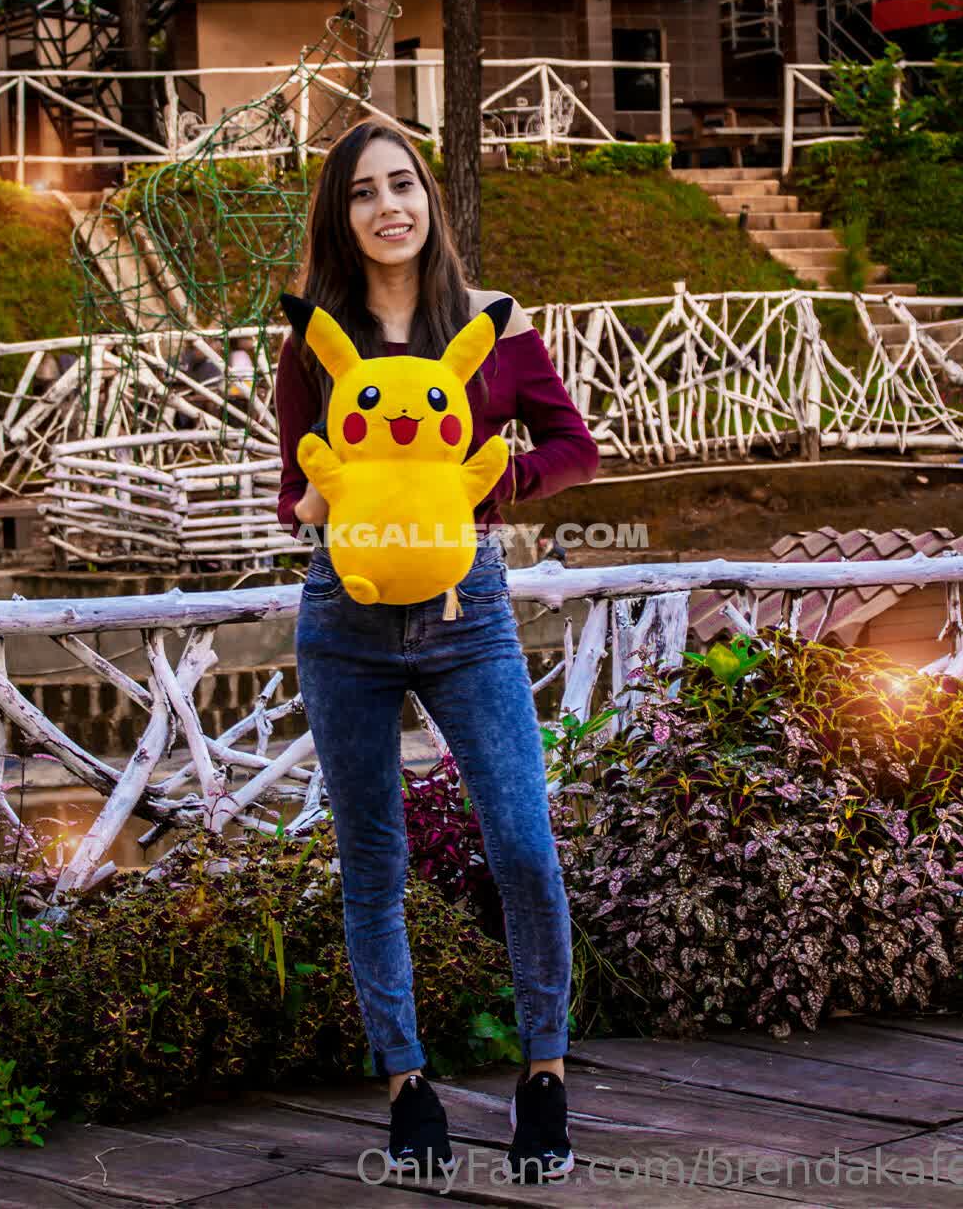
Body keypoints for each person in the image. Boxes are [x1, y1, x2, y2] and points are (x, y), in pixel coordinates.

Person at [273, 119, 599, 1183]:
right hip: (345, 618)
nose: (388, 207)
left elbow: (575, 449)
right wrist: (321, 501)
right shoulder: (315, 341)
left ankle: (544, 1075)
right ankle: (405, 1085)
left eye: (402, 184)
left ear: (429, 198)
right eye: (363, 192)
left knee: (522, 841)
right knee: (373, 856)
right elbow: (295, 487)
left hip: (471, 616)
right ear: (342, 216)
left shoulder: (492, 324)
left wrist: (482, 493)